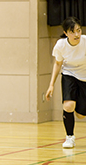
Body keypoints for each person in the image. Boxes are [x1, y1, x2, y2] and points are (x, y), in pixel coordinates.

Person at [46, 16, 86, 148]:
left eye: (79, 30)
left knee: (80, 115)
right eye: (72, 31)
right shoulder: (61, 45)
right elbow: (58, 64)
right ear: (65, 33)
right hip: (69, 75)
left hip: (84, 77)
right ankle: (69, 137)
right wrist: (51, 85)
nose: (77, 34)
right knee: (68, 106)